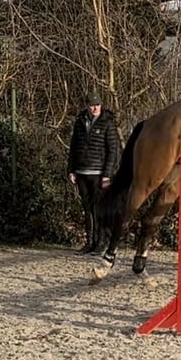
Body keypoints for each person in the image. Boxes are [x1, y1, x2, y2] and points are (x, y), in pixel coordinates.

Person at [67, 92, 121, 254]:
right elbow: (73, 147)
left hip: (98, 173)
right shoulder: (80, 122)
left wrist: (107, 174)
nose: (95, 108)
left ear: (101, 105)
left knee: (99, 208)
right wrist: (71, 170)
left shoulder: (108, 123)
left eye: (97, 104)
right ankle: (89, 241)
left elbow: (113, 151)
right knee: (87, 208)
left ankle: (101, 242)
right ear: (87, 106)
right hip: (81, 171)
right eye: (92, 105)